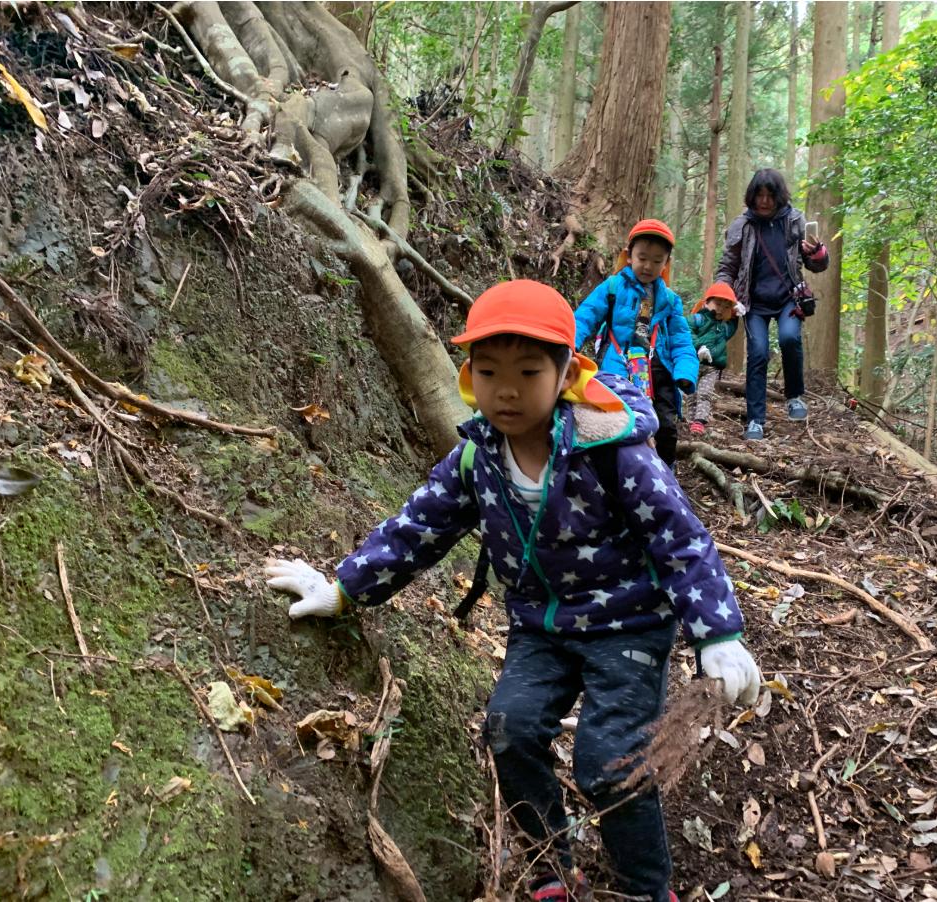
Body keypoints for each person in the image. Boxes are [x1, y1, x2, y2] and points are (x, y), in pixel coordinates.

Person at [264, 281, 761, 902]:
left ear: (566, 371)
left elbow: (679, 537)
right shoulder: (478, 458)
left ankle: (646, 887)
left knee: (607, 764)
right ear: (470, 376)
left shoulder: (611, 448)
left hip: (629, 625)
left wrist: (717, 634)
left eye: (528, 371)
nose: (507, 389)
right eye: (489, 371)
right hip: (542, 628)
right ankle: (552, 867)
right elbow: (418, 527)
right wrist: (344, 588)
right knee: (509, 728)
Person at [714, 168, 829, 441]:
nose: (764, 201)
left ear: (779, 196)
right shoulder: (741, 225)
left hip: (789, 296)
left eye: (769, 195)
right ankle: (755, 420)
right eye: (759, 195)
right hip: (754, 301)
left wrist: (818, 254)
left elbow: (816, 265)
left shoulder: (794, 221)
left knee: (790, 339)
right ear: (752, 196)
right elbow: (728, 265)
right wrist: (722, 290)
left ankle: (794, 397)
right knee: (758, 352)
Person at [573, 219, 699, 467]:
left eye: (656, 260)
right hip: (618, 364)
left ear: (666, 263)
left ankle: (664, 473)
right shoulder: (612, 287)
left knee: (665, 424)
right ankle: (618, 469)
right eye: (642, 258)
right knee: (619, 418)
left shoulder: (670, 300)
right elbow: (585, 316)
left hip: (658, 370)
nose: (648, 266)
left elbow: (681, 339)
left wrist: (685, 372)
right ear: (629, 256)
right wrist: (568, 344)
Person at [684, 283, 744, 436]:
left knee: (705, 393)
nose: (720, 309)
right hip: (693, 364)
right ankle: (690, 422)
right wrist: (699, 347)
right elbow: (686, 332)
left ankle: (699, 422)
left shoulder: (723, 327)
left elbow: (731, 328)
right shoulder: (697, 319)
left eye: (726, 307)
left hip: (712, 368)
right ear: (706, 303)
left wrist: (736, 315)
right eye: (717, 304)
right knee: (691, 395)